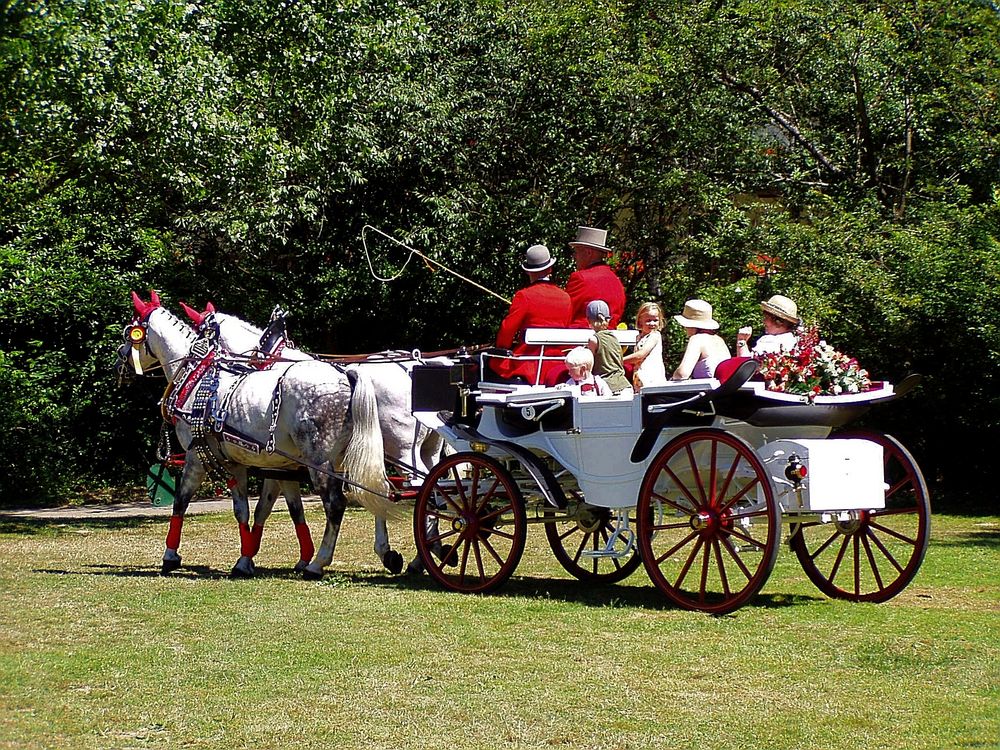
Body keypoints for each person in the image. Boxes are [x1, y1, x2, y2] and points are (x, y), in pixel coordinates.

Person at [493, 244, 572, 383]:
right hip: (557, 366)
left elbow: (507, 330)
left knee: (487, 363)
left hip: (528, 366)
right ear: (550, 269)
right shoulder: (565, 298)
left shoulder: (524, 296)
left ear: (528, 271)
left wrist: (500, 349)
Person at [564, 226, 626, 328]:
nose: (574, 256)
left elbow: (566, 312)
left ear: (588, 252)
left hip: (580, 339)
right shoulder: (616, 281)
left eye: (577, 251)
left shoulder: (580, 278)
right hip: (609, 340)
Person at [670, 299, 731, 380]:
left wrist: (672, 378)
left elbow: (682, 374)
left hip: (707, 390)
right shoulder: (719, 340)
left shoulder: (697, 339)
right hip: (723, 389)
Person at [584, 300, 632, 395]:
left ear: (588, 320)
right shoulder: (614, 338)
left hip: (607, 387)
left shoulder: (593, 340)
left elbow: (588, 365)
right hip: (624, 385)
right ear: (608, 319)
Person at [735, 294, 800, 356]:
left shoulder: (772, 342)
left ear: (779, 322)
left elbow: (748, 366)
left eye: (766, 318)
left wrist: (741, 340)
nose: (764, 321)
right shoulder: (792, 341)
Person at [623, 301, 667, 390]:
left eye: (655, 320)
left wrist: (619, 361)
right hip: (640, 379)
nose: (652, 323)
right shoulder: (638, 337)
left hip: (652, 380)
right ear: (640, 320)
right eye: (648, 320)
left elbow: (640, 355)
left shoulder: (655, 335)